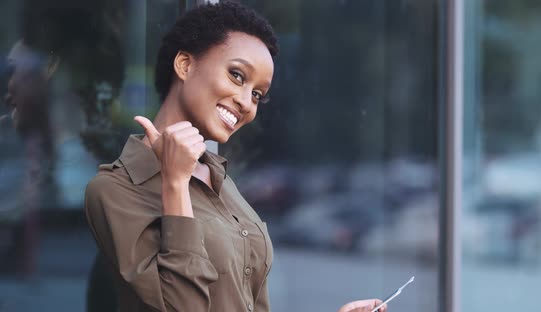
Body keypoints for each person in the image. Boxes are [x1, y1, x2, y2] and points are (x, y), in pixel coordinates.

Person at [84, 3, 387, 312]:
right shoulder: (114, 190)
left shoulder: (220, 182)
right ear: (185, 65)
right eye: (237, 76)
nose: (246, 103)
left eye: (257, 94)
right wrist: (174, 184)